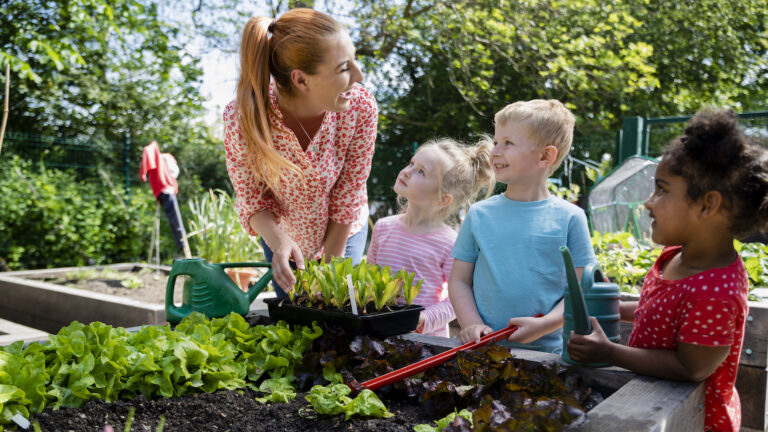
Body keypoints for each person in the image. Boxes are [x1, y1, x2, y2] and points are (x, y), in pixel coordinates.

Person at [567, 107, 768, 432]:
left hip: (690, 419)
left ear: (707, 205)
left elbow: (690, 368)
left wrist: (610, 352)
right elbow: (657, 310)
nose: (648, 202)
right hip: (651, 403)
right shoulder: (676, 255)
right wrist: (616, 308)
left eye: (661, 189)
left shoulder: (716, 291)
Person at [223, 9, 378, 297]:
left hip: (343, 230)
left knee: (336, 309)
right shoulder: (243, 119)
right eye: (344, 68)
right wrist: (279, 241)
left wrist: (330, 271)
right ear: (301, 80)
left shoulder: (360, 108)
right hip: (282, 236)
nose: (359, 75)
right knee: (294, 319)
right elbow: (252, 199)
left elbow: (349, 193)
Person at [449, 100, 596, 353]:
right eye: (496, 142)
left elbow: (583, 290)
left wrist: (546, 324)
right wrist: (471, 324)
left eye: (508, 143)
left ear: (545, 156)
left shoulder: (570, 218)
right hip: (483, 351)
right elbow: (459, 281)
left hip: (549, 358)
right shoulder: (479, 214)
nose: (495, 150)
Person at [366, 138, 495, 337]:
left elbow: (457, 300)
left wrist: (425, 319)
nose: (407, 171)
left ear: (442, 199)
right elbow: (368, 278)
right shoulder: (383, 227)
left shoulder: (450, 243)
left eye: (421, 172)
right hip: (380, 335)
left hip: (424, 343)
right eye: (411, 163)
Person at [139, 140, 190, 256]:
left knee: (176, 223)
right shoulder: (160, 156)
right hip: (166, 191)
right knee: (176, 223)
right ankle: (183, 247)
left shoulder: (158, 160)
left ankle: (184, 248)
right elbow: (151, 148)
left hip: (163, 192)